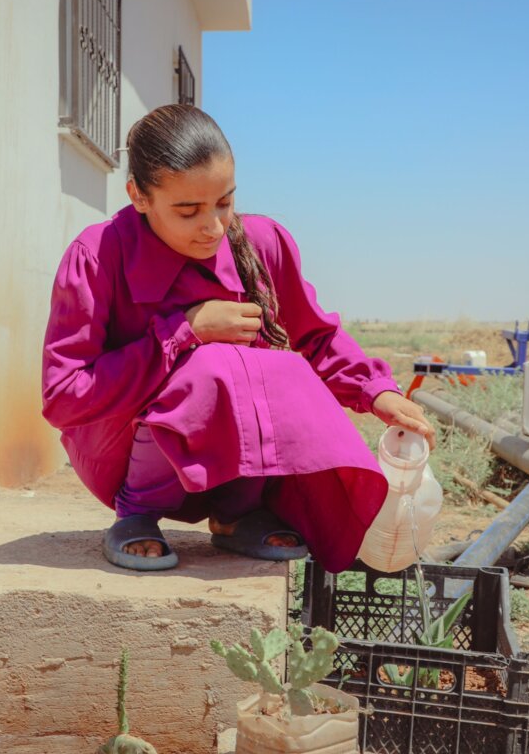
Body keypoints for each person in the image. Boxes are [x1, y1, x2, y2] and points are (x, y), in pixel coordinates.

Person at [42, 104, 434, 573]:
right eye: (188, 210)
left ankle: (236, 514)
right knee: (211, 368)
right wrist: (183, 331)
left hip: (239, 468)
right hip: (125, 457)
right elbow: (64, 396)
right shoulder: (97, 256)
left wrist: (378, 392)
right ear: (138, 196)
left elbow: (314, 339)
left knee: (279, 368)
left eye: (224, 202)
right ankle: (138, 516)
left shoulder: (262, 245)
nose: (213, 227)